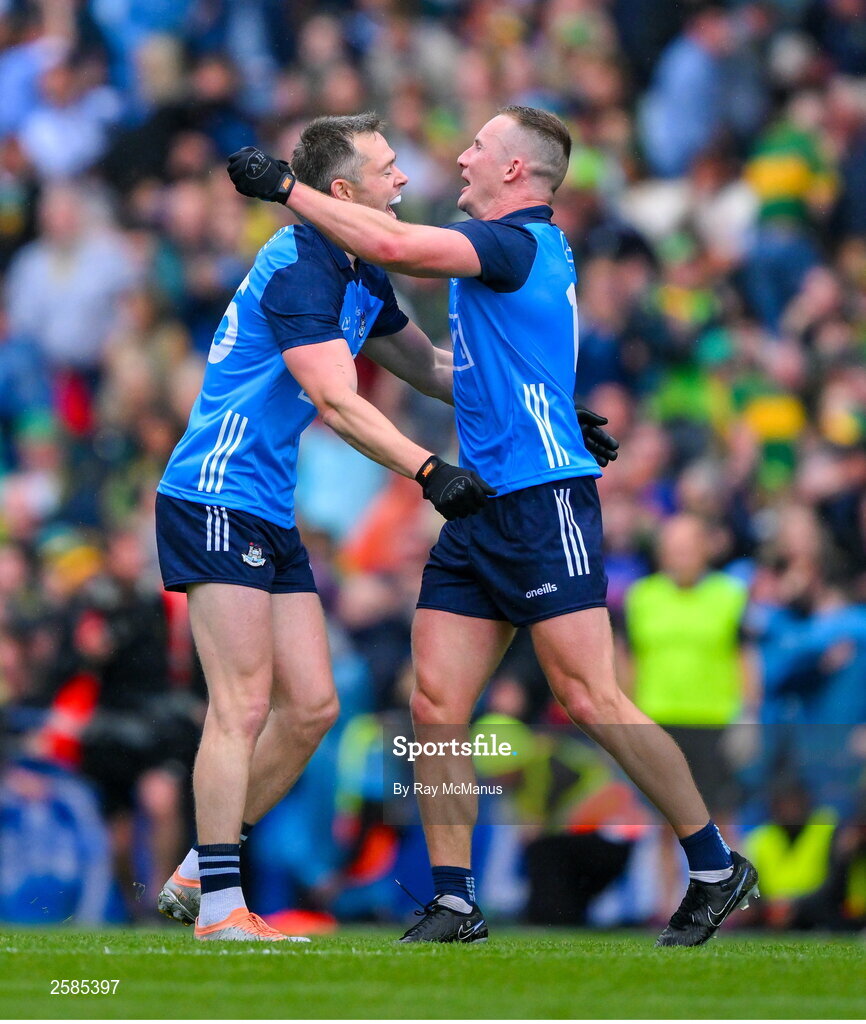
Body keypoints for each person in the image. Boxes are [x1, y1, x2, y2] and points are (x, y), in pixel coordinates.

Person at [226, 105, 750, 949]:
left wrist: (286, 189)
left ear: (514, 171)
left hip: (545, 505)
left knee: (590, 698)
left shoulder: (516, 244)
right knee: (434, 707)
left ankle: (716, 864)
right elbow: (460, 368)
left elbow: (394, 248)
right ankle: (456, 899)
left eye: (477, 147)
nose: (459, 157)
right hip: (480, 506)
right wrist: (559, 405)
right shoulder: (510, 259)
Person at [157, 113, 617, 943]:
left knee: (314, 708)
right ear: (344, 193)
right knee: (244, 702)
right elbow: (338, 402)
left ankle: (201, 864)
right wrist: (428, 471)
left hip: (263, 500)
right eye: (388, 168)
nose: (405, 180)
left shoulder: (358, 271)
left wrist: (549, 406)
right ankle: (221, 910)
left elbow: (437, 369)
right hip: (214, 491)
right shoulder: (302, 268)